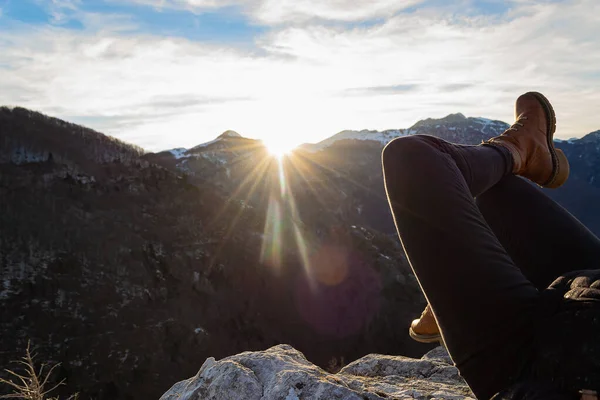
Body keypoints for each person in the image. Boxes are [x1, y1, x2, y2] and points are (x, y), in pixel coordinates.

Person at [382, 92, 600, 399]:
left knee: (411, 159)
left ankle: (515, 150)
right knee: (497, 195)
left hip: (550, 361)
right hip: (589, 293)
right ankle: (525, 152)